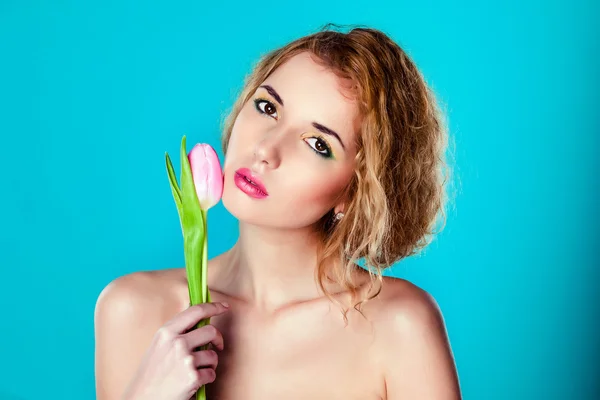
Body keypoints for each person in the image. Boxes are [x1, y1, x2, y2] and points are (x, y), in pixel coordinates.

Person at [94, 24, 461, 400]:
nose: (266, 149)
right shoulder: (133, 309)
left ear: (357, 192)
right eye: (267, 107)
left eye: (317, 143)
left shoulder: (398, 327)